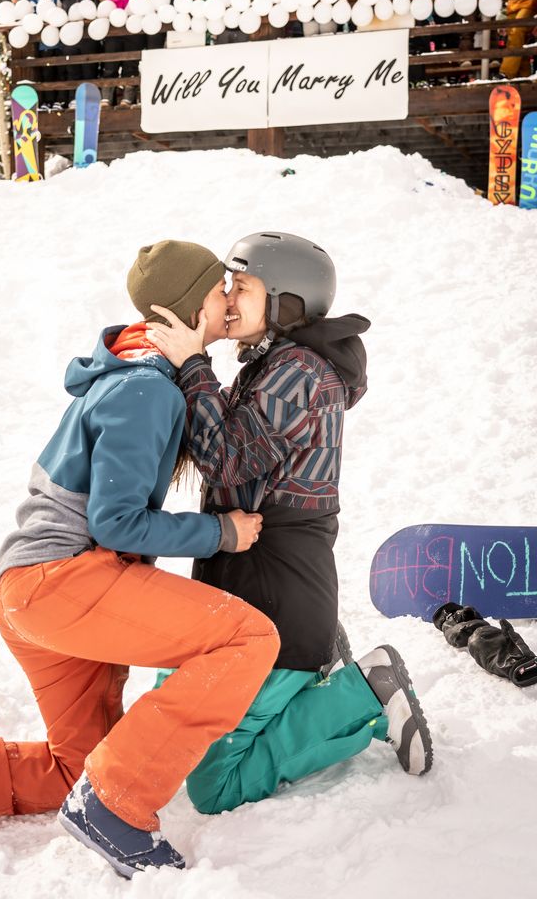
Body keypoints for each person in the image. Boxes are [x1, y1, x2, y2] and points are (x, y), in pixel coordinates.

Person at [0, 241, 280, 878]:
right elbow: (116, 521)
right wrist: (222, 533)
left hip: (25, 594)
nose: (230, 296)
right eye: (220, 287)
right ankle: (118, 804)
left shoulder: (129, 375)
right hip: (64, 581)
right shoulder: (145, 390)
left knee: (76, 768)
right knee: (248, 638)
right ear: (192, 303)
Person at [146, 231, 433, 816]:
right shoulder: (272, 365)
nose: (227, 299)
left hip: (275, 587)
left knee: (211, 784)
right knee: (168, 723)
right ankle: (319, 672)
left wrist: (193, 364)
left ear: (286, 303)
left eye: (242, 288)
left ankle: (361, 693)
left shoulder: (297, 371)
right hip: (249, 577)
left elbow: (226, 458)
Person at [52, 0, 102, 106]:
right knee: (73, 70)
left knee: (89, 69)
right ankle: (74, 98)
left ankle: (90, 99)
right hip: (70, 38)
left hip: (88, 37)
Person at [102, 0, 149, 107]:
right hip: (115, 29)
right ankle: (107, 96)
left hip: (133, 29)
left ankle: (128, 97)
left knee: (131, 64)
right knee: (111, 63)